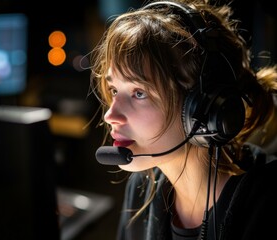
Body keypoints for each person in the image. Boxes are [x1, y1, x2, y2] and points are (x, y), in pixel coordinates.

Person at [89, 0, 277, 239]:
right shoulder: (141, 189)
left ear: (200, 107)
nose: (110, 115)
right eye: (115, 90)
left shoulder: (265, 204)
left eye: (139, 93)